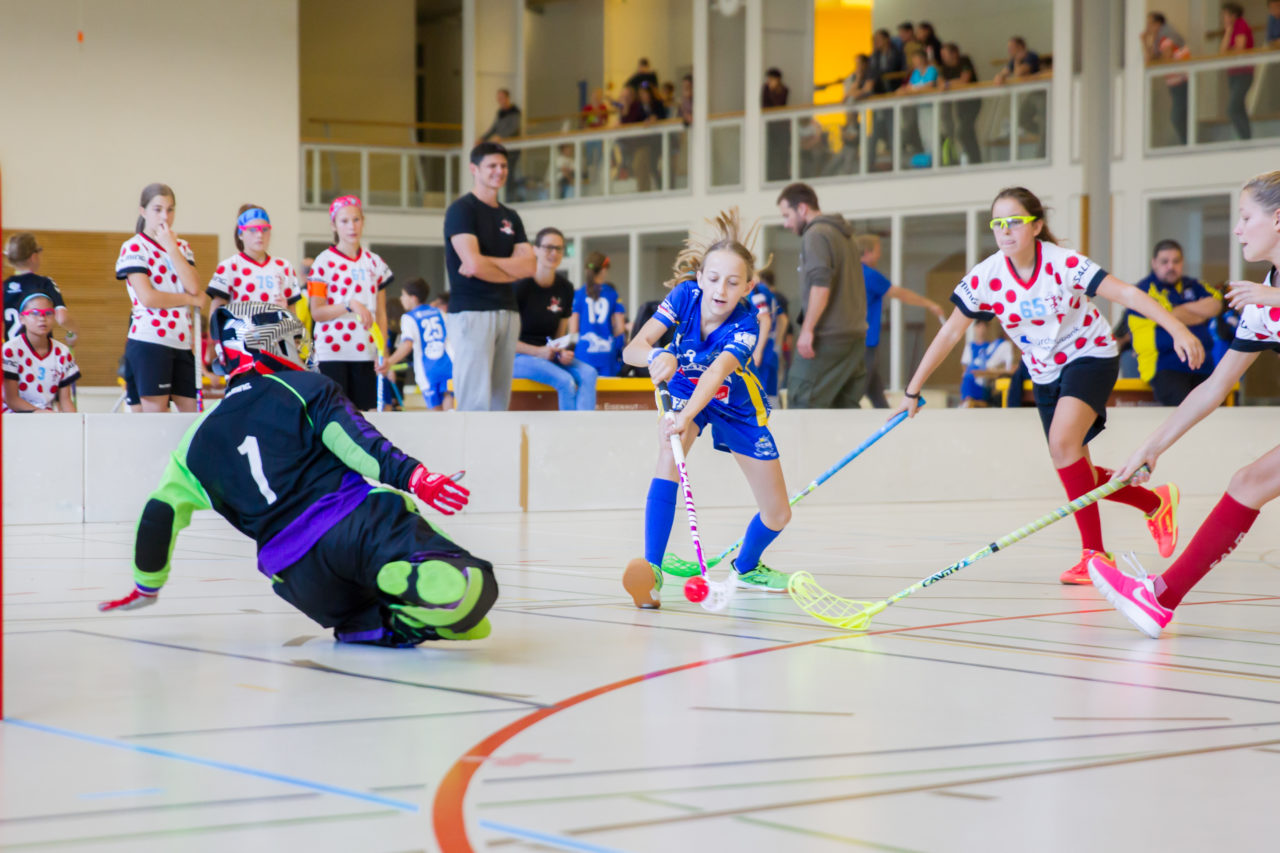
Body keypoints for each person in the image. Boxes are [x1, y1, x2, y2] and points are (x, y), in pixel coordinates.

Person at [98, 303, 493, 647]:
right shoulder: (305, 386)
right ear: (268, 344)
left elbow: (158, 514)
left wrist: (146, 583)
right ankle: (422, 584)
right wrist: (415, 477)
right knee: (476, 587)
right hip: (356, 524)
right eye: (295, 343)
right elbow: (360, 445)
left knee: (372, 617)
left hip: (295, 575)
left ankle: (370, 623)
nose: (303, 353)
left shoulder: (193, 443)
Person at [893, 186, 1204, 584]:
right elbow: (951, 333)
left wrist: (1177, 328)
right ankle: (1153, 501)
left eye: (1015, 222)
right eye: (997, 224)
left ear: (1036, 225)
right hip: (1043, 373)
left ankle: (1094, 556)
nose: (1005, 231)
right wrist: (912, 389)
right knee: (1073, 464)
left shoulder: (1063, 264)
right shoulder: (987, 276)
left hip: (1089, 356)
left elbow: (1126, 292)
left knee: (1062, 445)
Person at [1091, 171, 1280, 638]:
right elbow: (1213, 387)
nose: (1237, 229)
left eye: (1245, 217)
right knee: (1249, 482)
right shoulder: (1258, 304)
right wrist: (1151, 447)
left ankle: (1159, 596)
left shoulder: (1265, 296)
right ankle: (1159, 598)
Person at [621, 209, 792, 608]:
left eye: (733, 283)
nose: (721, 289)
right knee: (669, 454)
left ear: (747, 287)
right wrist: (655, 356)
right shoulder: (684, 296)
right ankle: (652, 571)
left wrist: (683, 417)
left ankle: (747, 567)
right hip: (683, 389)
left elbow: (716, 373)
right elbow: (633, 348)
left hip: (735, 404)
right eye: (713, 278)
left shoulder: (747, 326)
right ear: (699, 278)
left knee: (779, 512)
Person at [443, 142, 536, 411]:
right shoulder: (461, 210)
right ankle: (470, 454)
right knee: (474, 400)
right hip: (472, 311)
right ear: (474, 169)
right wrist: (507, 266)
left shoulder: (511, 216)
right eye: (492, 166)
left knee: (499, 401)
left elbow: (529, 266)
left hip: (508, 312)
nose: (499, 171)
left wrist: (484, 262)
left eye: (504, 166)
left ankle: (495, 454)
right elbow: (472, 263)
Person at [776, 183, 868, 409]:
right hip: (854, 337)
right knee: (842, 407)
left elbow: (820, 286)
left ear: (803, 208)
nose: (786, 223)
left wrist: (807, 330)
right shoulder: (843, 235)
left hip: (828, 337)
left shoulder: (816, 234)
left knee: (801, 401)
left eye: (787, 215)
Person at [115, 182, 204, 413]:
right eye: (157, 209)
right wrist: (188, 300)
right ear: (143, 211)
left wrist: (171, 248)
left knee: (190, 418)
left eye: (170, 209)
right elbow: (148, 298)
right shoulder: (133, 247)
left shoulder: (181, 247)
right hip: (150, 341)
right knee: (156, 419)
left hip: (182, 343)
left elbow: (194, 287)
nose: (165, 216)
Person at [307, 196, 391, 411]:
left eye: (356, 219)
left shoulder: (375, 263)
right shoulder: (323, 262)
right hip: (332, 352)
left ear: (363, 221)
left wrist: (383, 352)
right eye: (344, 221)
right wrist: (349, 304)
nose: (351, 226)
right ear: (334, 225)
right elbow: (317, 312)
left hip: (366, 352)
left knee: (365, 418)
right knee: (335, 415)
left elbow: (381, 313)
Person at [856, 234, 946, 408]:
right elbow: (900, 293)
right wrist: (929, 304)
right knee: (855, 395)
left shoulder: (852, 273)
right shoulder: (869, 275)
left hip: (861, 342)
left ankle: (888, 425)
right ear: (866, 253)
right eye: (877, 251)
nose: (879, 255)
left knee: (877, 395)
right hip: (865, 343)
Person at [1127, 239, 1222, 405]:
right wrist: (1199, 313)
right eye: (1165, 262)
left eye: (1176, 261)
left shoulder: (1193, 284)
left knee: (1212, 417)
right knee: (1183, 417)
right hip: (1164, 366)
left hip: (1203, 364)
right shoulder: (1143, 290)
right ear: (1154, 263)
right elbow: (1168, 314)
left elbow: (1216, 304)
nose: (1171, 266)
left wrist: (1180, 310)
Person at [512, 227, 597, 411]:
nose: (554, 253)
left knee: (589, 374)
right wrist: (539, 351)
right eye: (548, 247)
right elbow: (506, 342)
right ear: (535, 250)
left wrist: (562, 352)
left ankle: (584, 434)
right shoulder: (519, 287)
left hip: (549, 354)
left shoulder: (565, 288)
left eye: (559, 248)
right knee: (565, 381)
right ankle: (568, 437)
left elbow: (560, 336)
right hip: (518, 357)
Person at [207, 205, 301, 313]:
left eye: (264, 229)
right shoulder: (230, 266)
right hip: (241, 329)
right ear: (240, 234)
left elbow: (293, 315)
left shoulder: (284, 267)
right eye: (252, 230)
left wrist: (285, 310)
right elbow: (215, 315)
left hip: (276, 329)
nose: (260, 235)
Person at [380, 277, 452, 411]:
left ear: (413, 298)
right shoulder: (439, 312)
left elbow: (407, 345)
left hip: (428, 368)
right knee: (449, 401)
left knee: (436, 411)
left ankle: (442, 431)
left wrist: (389, 362)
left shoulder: (409, 317)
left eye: (403, 295)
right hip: (447, 364)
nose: (401, 299)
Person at [3, 293, 79, 413]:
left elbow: (65, 400)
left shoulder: (62, 352)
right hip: (12, 419)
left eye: (48, 313)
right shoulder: (10, 350)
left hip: (46, 419)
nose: (42, 318)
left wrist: (75, 424)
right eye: (34, 313)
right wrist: (40, 413)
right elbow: (11, 399)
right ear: (22, 318)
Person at [3, 233, 78, 346]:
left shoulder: (4, 286)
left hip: (12, 355)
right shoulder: (44, 283)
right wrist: (74, 330)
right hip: (39, 354)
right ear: (33, 256)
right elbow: (62, 318)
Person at [572, 251, 627, 377]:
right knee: (607, 394)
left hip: (583, 353)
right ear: (603, 270)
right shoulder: (612, 293)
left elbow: (574, 329)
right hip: (606, 354)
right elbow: (620, 328)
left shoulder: (579, 294)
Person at [1144, 15, 1191, 145]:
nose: (1148, 27)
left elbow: (1167, 56)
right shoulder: (1160, 39)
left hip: (1181, 80)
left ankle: (1186, 143)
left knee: (1177, 117)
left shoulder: (1167, 36)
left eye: (1150, 24)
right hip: (1175, 81)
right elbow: (1150, 58)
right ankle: (1186, 142)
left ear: (1158, 24)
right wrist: (1146, 40)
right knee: (1180, 115)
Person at [939, 43, 982, 165]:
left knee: (965, 130)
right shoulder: (945, 67)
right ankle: (970, 158)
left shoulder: (964, 61)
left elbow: (965, 80)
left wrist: (948, 84)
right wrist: (949, 84)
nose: (944, 58)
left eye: (945, 54)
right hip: (960, 103)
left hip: (972, 101)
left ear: (954, 53)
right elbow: (940, 82)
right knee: (962, 131)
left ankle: (975, 160)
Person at [959, 317, 1017, 406]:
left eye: (983, 327)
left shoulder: (996, 346)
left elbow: (1008, 368)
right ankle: (968, 402)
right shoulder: (971, 346)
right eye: (979, 327)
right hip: (973, 377)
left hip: (985, 379)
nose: (981, 330)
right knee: (968, 377)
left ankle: (970, 403)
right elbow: (965, 364)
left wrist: (989, 373)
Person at [1221, 2, 1255, 140]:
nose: (1223, 18)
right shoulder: (1231, 28)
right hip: (1233, 73)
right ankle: (1245, 138)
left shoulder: (1241, 25)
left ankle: (1245, 138)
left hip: (1244, 72)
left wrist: (1231, 49)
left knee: (1233, 108)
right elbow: (1223, 51)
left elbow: (1239, 48)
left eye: (1225, 15)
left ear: (1233, 15)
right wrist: (1228, 32)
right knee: (1239, 108)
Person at [762, 68, 790, 182]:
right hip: (770, 126)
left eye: (772, 78)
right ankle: (771, 175)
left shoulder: (784, 90)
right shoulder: (765, 89)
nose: (769, 81)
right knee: (771, 152)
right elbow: (765, 106)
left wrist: (773, 91)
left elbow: (779, 105)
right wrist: (769, 90)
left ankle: (783, 174)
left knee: (782, 151)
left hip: (781, 126)